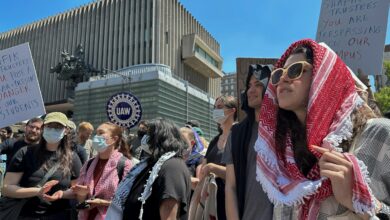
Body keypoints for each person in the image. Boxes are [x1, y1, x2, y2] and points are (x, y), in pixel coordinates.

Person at [254, 39, 390, 219]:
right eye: (278, 75)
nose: (283, 79)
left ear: (324, 76)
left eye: (296, 70)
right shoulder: (282, 159)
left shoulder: (380, 135)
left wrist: (361, 200)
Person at [106, 118, 191, 220]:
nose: (145, 138)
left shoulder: (172, 167)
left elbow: (169, 216)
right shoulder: (148, 165)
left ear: (161, 137)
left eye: (149, 134)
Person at [2, 112, 82, 219]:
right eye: (50, 126)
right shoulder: (25, 153)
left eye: (58, 127)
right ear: (43, 128)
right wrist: (38, 191)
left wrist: (61, 194)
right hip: (25, 215)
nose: (53, 130)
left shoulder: (72, 157)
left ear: (66, 130)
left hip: (58, 215)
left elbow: (77, 190)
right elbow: (7, 188)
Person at [47, 122, 133, 220]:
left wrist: (102, 202)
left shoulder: (125, 165)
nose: (96, 137)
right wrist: (61, 194)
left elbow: (128, 199)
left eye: (101, 133)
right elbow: (78, 190)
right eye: (96, 133)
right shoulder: (89, 163)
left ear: (114, 139)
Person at [224, 64, 273, 220]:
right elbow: (230, 186)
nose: (251, 90)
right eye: (249, 85)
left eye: (258, 85)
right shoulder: (237, 134)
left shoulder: (285, 130)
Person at [192, 95, 237, 220]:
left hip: (231, 202)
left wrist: (213, 168)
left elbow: (240, 174)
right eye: (214, 108)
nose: (216, 111)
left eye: (220, 107)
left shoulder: (238, 136)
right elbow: (202, 173)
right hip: (211, 202)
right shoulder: (214, 141)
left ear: (233, 110)